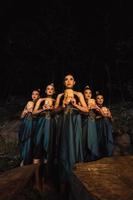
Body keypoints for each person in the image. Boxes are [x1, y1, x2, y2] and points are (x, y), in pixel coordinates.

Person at [55, 74, 88, 197]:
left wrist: (76, 105)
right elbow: (54, 111)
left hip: (75, 123)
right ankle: (63, 190)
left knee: (76, 147)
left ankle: (76, 187)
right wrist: (62, 105)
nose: (68, 81)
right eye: (66, 79)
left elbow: (86, 111)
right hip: (64, 123)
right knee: (64, 149)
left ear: (74, 82)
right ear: (64, 83)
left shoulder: (79, 94)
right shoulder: (60, 95)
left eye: (71, 79)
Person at [32, 83, 55, 192]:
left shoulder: (55, 101)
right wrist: (43, 109)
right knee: (38, 152)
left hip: (50, 128)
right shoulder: (40, 100)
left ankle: (45, 181)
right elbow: (33, 113)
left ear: (54, 92)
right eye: (48, 89)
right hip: (40, 128)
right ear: (46, 91)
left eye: (52, 89)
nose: (50, 90)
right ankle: (36, 181)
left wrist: (53, 109)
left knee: (48, 154)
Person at [19, 89, 40, 166]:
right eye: (33, 94)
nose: (34, 95)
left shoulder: (39, 103)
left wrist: (33, 111)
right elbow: (21, 117)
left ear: (39, 96)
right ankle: (24, 160)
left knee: (31, 141)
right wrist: (25, 112)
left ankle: (28, 162)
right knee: (25, 141)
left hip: (33, 123)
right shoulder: (29, 102)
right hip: (26, 122)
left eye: (36, 94)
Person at [82, 86, 99, 161]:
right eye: (86, 93)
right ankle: (85, 158)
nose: (88, 94)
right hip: (85, 124)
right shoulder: (81, 102)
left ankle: (93, 157)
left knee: (93, 139)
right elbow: (81, 113)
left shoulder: (94, 102)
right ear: (83, 94)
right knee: (85, 140)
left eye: (90, 93)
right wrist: (88, 108)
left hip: (93, 124)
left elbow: (101, 114)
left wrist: (96, 107)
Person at [95, 91, 114, 158]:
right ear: (96, 100)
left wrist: (110, 116)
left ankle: (108, 154)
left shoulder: (106, 108)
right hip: (98, 126)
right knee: (99, 140)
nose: (100, 100)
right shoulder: (94, 108)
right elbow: (93, 118)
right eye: (98, 98)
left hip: (106, 126)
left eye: (101, 98)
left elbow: (112, 120)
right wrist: (102, 116)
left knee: (107, 138)